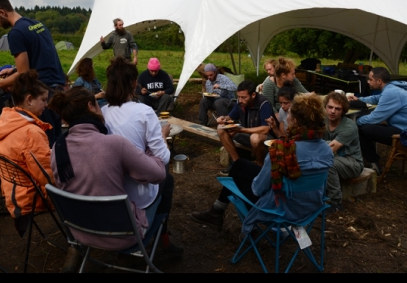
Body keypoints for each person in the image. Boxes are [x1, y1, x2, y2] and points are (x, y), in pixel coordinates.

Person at [49, 87, 173, 254]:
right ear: (91, 106)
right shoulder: (114, 144)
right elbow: (158, 174)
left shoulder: (57, 147)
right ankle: (164, 241)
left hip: (81, 232)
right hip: (123, 236)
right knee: (167, 179)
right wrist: (156, 141)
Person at [190, 93, 333, 232]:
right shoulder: (326, 150)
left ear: (295, 121)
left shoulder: (282, 151)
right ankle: (216, 210)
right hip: (310, 209)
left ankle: (223, 215)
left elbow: (258, 189)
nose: (286, 117)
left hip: (280, 209)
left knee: (237, 176)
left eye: (289, 114)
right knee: (239, 164)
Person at [100, 57, 182, 256]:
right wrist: (163, 135)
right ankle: (160, 237)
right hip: (137, 195)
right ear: (134, 84)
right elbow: (162, 159)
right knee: (167, 179)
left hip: (110, 191)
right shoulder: (144, 112)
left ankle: (162, 238)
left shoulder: (101, 112)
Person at [0, 0, 65, 147]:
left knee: (44, 144)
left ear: (2, 12)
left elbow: (24, 74)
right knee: (57, 141)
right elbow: (40, 57)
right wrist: (13, 69)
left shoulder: (15, 34)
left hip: (42, 94)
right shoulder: (36, 24)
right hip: (58, 89)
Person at [0, 70, 54, 236]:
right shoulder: (31, 132)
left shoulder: (3, 123)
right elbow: (47, 177)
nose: (46, 105)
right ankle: (81, 239)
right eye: (43, 100)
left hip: (12, 194)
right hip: (29, 199)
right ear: (29, 100)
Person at [348, 67, 407, 174]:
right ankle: (373, 161)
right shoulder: (391, 88)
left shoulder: (392, 92)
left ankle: (374, 163)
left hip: (404, 133)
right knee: (364, 128)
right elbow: (376, 98)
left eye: (370, 79)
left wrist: (354, 122)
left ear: (379, 81)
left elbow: (375, 118)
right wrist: (360, 99)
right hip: (400, 127)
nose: (368, 82)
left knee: (362, 129)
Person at [216, 81, 274, 172]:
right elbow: (230, 117)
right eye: (239, 97)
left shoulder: (263, 103)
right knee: (220, 128)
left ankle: (260, 165)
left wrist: (241, 130)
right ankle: (237, 163)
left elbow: (266, 129)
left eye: (244, 97)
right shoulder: (240, 103)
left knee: (255, 138)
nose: (240, 100)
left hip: (266, 139)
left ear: (253, 95)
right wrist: (223, 118)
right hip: (247, 134)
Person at [323, 92, 363, 213]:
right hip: (334, 157)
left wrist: (318, 144)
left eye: (337, 109)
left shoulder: (349, 126)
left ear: (343, 111)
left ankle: (336, 202)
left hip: (352, 162)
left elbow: (329, 149)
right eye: (330, 107)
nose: (333, 111)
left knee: (329, 164)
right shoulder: (323, 121)